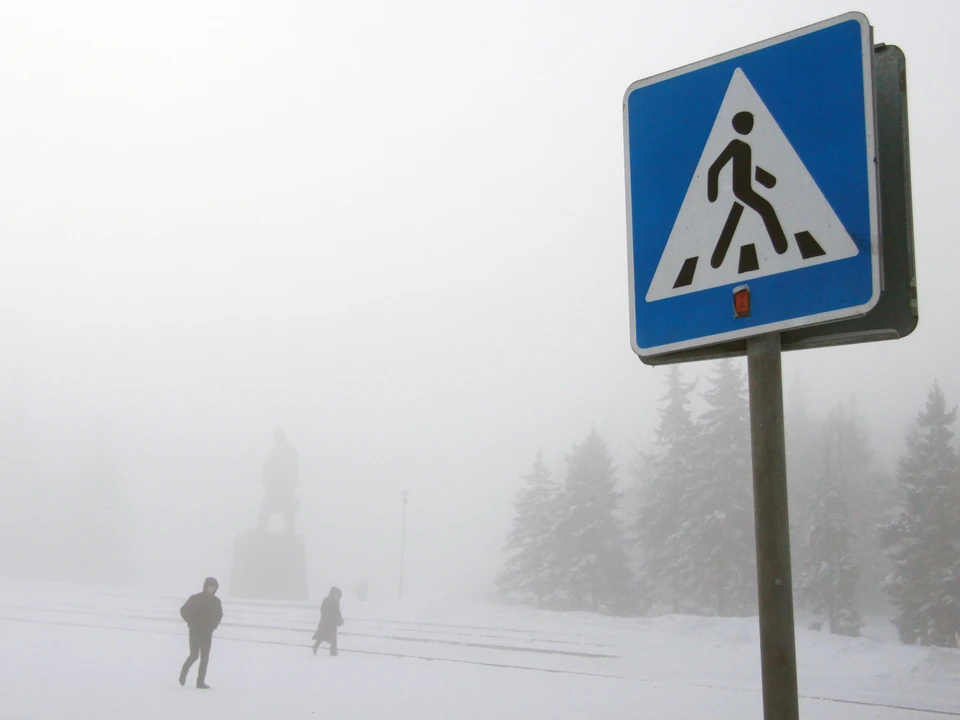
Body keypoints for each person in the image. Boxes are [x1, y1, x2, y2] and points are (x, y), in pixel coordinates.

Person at [179, 577, 223, 689]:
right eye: (210, 587)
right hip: (195, 631)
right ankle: (184, 671)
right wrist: (191, 622)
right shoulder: (195, 598)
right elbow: (183, 610)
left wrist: (213, 626)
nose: (212, 589)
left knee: (205, 658)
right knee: (194, 655)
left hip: (207, 632)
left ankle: (200, 682)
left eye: (214, 587)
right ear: (205, 586)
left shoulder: (216, 601)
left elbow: (219, 615)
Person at [257, 428, 300, 533]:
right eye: (276, 435)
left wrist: (291, 483)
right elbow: (268, 468)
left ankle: (289, 530)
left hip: (283, 484)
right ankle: (260, 528)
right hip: (275, 485)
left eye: (280, 435)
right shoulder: (276, 450)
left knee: (287, 508)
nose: (278, 437)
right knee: (268, 505)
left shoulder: (288, 449)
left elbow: (294, 467)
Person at [312, 587, 343, 656]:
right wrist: (328, 618)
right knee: (322, 636)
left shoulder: (336, 600)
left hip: (333, 622)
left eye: (337, 594)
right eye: (335, 594)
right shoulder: (327, 599)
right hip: (326, 622)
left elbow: (337, 611)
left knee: (333, 638)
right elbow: (323, 610)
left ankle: (333, 652)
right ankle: (316, 646)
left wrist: (339, 618)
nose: (336, 595)